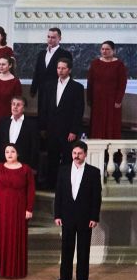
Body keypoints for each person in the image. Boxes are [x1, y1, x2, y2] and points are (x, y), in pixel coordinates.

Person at [54, 141, 101, 280]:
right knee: (66, 247)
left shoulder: (94, 172)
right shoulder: (63, 170)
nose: (76, 156)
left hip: (85, 217)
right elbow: (59, 194)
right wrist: (57, 215)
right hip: (66, 215)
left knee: (84, 249)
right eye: (74, 153)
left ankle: (82, 278)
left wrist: (94, 217)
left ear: (85, 154)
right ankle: (65, 277)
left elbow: (96, 197)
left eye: (79, 153)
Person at [0, 144, 35, 279]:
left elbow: (31, 191)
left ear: (18, 153)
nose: (9, 154)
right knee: (0, 236)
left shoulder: (26, 169)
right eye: (7, 152)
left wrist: (29, 209)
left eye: (12, 151)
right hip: (0, 209)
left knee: (15, 237)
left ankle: (14, 270)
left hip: (18, 209)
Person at [38, 58, 85, 188]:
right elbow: (44, 107)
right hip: (51, 129)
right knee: (52, 157)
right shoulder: (49, 85)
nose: (60, 70)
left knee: (67, 158)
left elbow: (78, 111)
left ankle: (65, 185)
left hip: (68, 131)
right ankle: (51, 183)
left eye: (63, 68)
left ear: (69, 70)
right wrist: (43, 127)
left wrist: (74, 130)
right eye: (58, 68)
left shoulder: (77, 87)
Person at [87, 40, 128, 139]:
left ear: (113, 51)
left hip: (112, 101)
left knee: (112, 123)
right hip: (97, 100)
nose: (104, 51)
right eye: (102, 49)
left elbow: (122, 84)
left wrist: (118, 100)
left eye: (107, 49)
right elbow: (90, 82)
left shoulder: (119, 65)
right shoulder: (95, 63)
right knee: (97, 124)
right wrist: (89, 99)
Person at [0, 96, 41, 172]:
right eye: (13, 104)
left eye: (18, 105)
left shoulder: (32, 124)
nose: (15, 107)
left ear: (24, 108)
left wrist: (33, 166)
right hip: (4, 163)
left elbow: (34, 146)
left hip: (23, 165)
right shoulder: (3, 122)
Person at [30, 27, 72, 106]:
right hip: (42, 90)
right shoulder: (42, 53)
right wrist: (33, 89)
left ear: (59, 38)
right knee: (42, 112)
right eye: (48, 37)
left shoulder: (65, 54)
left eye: (53, 37)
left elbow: (68, 74)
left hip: (57, 90)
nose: (50, 39)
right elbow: (37, 72)